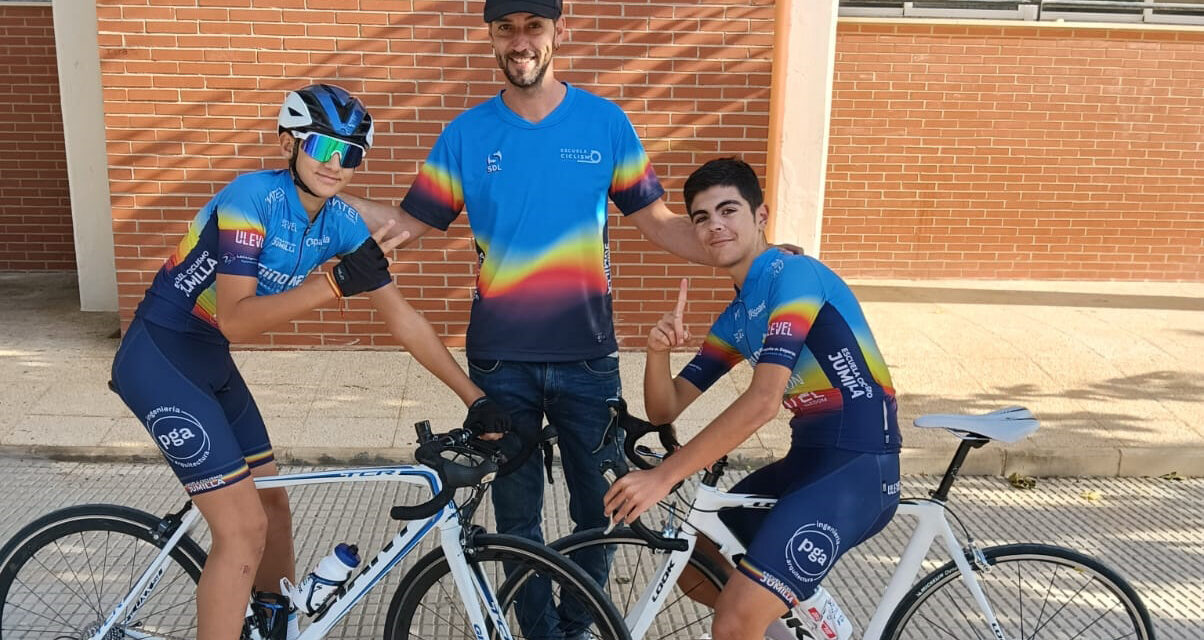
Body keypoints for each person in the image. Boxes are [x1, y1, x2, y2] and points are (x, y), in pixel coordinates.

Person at [341, 1, 723, 635]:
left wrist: (752, 255)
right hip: (499, 362)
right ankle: (538, 632)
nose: (520, 42)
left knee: (603, 511)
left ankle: (575, 629)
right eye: (505, 28)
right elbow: (406, 225)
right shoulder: (466, 134)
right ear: (491, 36)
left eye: (533, 27)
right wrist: (322, 194)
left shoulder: (605, 124)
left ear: (557, 33)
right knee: (516, 521)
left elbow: (658, 223)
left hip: (587, 357)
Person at [109, 84, 509, 640]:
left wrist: (475, 398)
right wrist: (335, 282)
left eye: (350, 154)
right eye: (323, 148)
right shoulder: (249, 199)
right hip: (160, 352)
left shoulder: (338, 223)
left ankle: (271, 625)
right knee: (243, 530)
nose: (336, 164)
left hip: (206, 358)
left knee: (274, 509)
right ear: (288, 144)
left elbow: (404, 319)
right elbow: (238, 320)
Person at [603, 157, 902, 640]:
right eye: (701, 217)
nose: (714, 225)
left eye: (728, 210)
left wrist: (664, 476)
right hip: (808, 460)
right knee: (696, 562)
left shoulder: (795, 276)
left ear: (761, 216)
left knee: (736, 617)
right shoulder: (739, 314)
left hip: (858, 465)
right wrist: (657, 353)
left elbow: (763, 402)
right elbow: (666, 407)